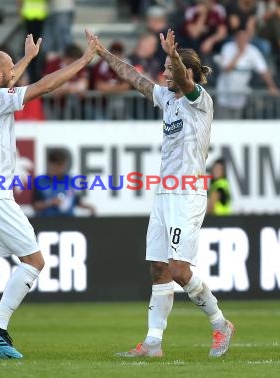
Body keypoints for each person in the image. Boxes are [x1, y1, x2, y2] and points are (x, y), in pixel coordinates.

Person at [86, 28, 235, 358]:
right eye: (166, 69)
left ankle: (220, 323)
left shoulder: (200, 102)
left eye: (170, 70)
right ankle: (153, 343)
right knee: (158, 268)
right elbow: (133, 77)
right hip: (165, 194)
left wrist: (173, 58)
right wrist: (102, 53)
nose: (164, 74)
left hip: (188, 194)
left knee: (180, 271)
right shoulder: (166, 98)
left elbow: (182, 78)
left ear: (189, 73)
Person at [0, 32, 98, 360]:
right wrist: (81, 62)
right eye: (10, 68)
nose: (15, 72)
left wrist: (27, 59)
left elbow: (5, 80)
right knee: (34, 261)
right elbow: (45, 87)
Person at [215, 28, 279, 119]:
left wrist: (271, 86)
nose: (242, 40)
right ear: (236, 38)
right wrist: (239, 54)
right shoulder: (227, 48)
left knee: (236, 125)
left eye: (245, 38)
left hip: (240, 96)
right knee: (222, 123)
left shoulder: (253, 51)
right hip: (224, 94)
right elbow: (226, 69)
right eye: (240, 38)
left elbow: (263, 70)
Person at [32, 149, 96, 217]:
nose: (60, 168)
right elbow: (35, 206)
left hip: (69, 223)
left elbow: (77, 201)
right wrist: (50, 202)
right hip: (48, 223)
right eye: (58, 165)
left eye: (62, 165)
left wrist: (89, 208)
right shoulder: (40, 181)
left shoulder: (70, 181)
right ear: (50, 164)